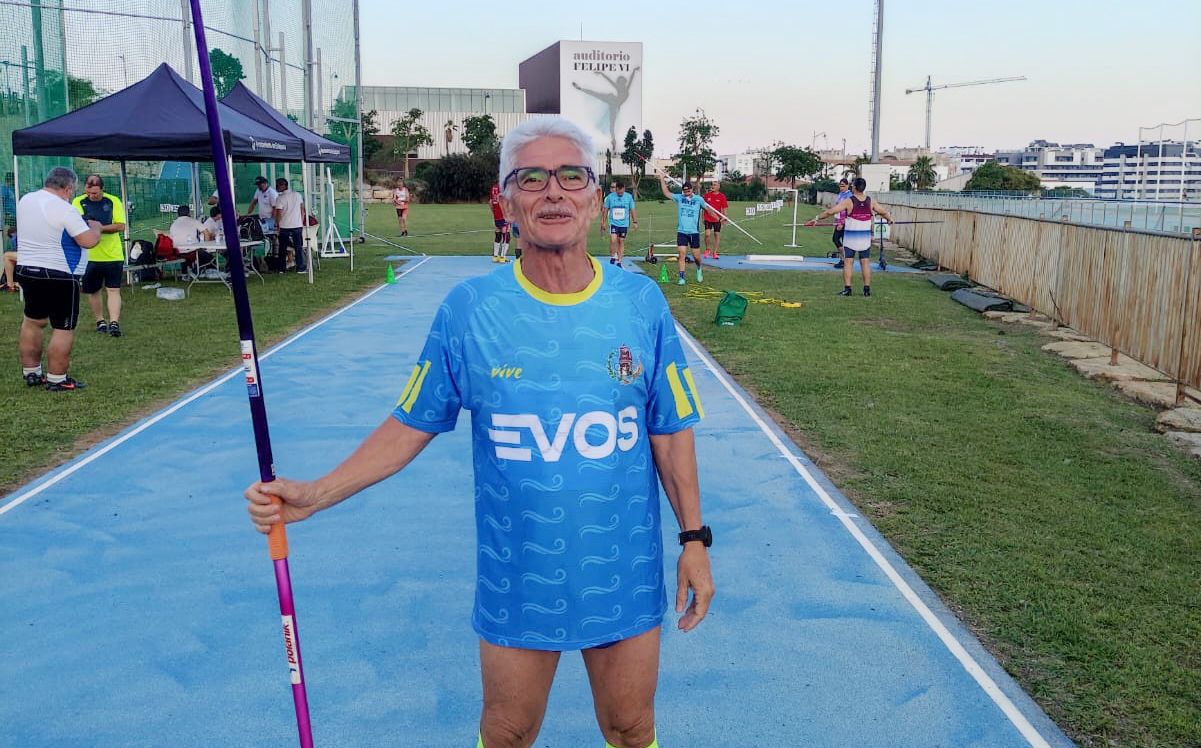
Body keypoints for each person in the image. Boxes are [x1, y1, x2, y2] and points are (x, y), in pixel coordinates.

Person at [245, 117, 714, 748]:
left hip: (621, 569)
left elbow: (669, 431)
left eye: (572, 176)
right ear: (508, 201)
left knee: (631, 728)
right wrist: (318, 493)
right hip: (518, 574)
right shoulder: (469, 309)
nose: (554, 192)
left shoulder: (641, 303)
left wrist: (693, 539)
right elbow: (412, 422)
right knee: (508, 731)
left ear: (598, 198)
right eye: (532, 178)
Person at [15, 167, 102, 391]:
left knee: (33, 321)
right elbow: (88, 241)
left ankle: (31, 372)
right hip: (58, 273)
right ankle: (57, 378)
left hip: (27, 269)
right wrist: (96, 228)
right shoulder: (64, 208)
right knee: (63, 327)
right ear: (68, 188)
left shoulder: (26, 200)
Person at [807, 176, 893, 297]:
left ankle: (848, 289)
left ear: (855, 188)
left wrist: (816, 219)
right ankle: (866, 290)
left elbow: (830, 212)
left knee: (848, 263)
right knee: (865, 263)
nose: (851, 187)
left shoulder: (849, 201)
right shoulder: (871, 201)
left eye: (852, 185)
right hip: (864, 239)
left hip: (851, 239)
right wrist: (889, 219)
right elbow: (883, 212)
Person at [72, 175, 127, 338]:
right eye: (89, 192)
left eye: (95, 193)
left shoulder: (113, 201)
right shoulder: (78, 202)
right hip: (90, 256)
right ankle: (100, 321)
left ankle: (114, 322)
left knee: (113, 289)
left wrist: (100, 228)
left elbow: (121, 225)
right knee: (93, 291)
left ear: (102, 189)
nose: (92, 196)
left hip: (113, 255)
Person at [658, 173, 715, 286]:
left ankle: (699, 268)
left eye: (688, 191)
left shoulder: (699, 199)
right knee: (682, 253)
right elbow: (666, 193)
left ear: (692, 190)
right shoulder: (679, 198)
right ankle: (682, 277)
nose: (686, 193)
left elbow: (708, 209)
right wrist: (661, 179)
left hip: (694, 232)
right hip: (682, 231)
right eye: (684, 191)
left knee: (696, 257)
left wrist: (717, 218)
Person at [273, 177, 307, 273]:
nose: (277, 187)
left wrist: (277, 225)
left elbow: (279, 213)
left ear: (283, 186)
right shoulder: (297, 195)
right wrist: (301, 221)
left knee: (282, 248)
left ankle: (281, 268)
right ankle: (300, 267)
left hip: (285, 226)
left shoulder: (280, 198)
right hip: (297, 225)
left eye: (278, 185)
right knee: (298, 247)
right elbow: (302, 210)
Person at [601, 178, 636, 267]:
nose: (620, 194)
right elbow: (605, 210)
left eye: (621, 192)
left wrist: (635, 221)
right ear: (616, 189)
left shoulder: (628, 197)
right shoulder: (610, 197)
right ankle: (613, 256)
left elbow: (632, 209)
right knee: (613, 240)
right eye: (618, 192)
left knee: (621, 240)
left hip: (624, 224)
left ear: (624, 189)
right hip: (614, 223)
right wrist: (603, 222)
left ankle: (619, 261)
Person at [701, 181, 728, 260]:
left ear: (718, 187)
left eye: (715, 185)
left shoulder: (722, 196)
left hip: (717, 219)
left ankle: (715, 252)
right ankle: (707, 249)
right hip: (708, 218)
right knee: (707, 234)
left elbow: (725, 207)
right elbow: (703, 207)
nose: (712, 186)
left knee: (717, 234)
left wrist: (724, 217)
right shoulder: (706, 196)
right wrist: (702, 217)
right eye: (712, 185)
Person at [831, 178, 852, 269]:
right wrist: (836, 221)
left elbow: (846, 211)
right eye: (840, 185)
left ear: (847, 185)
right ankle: (844, 259)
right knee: (836, 239)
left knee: (840, 240)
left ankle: (844, 260)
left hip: (845, 222)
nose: (841, 187)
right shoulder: (840, 194)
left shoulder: (849, 195)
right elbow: (838, 208)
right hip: (838, 220)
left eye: (843, 185)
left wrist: (842, 223)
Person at [488, 182, 510, 263]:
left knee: (498, 232)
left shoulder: (494, 187)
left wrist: (494, 212)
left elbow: (490, 202)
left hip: (496, 214)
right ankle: (502, 257)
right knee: (506, 233)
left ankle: (495, 256)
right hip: (504, 213)